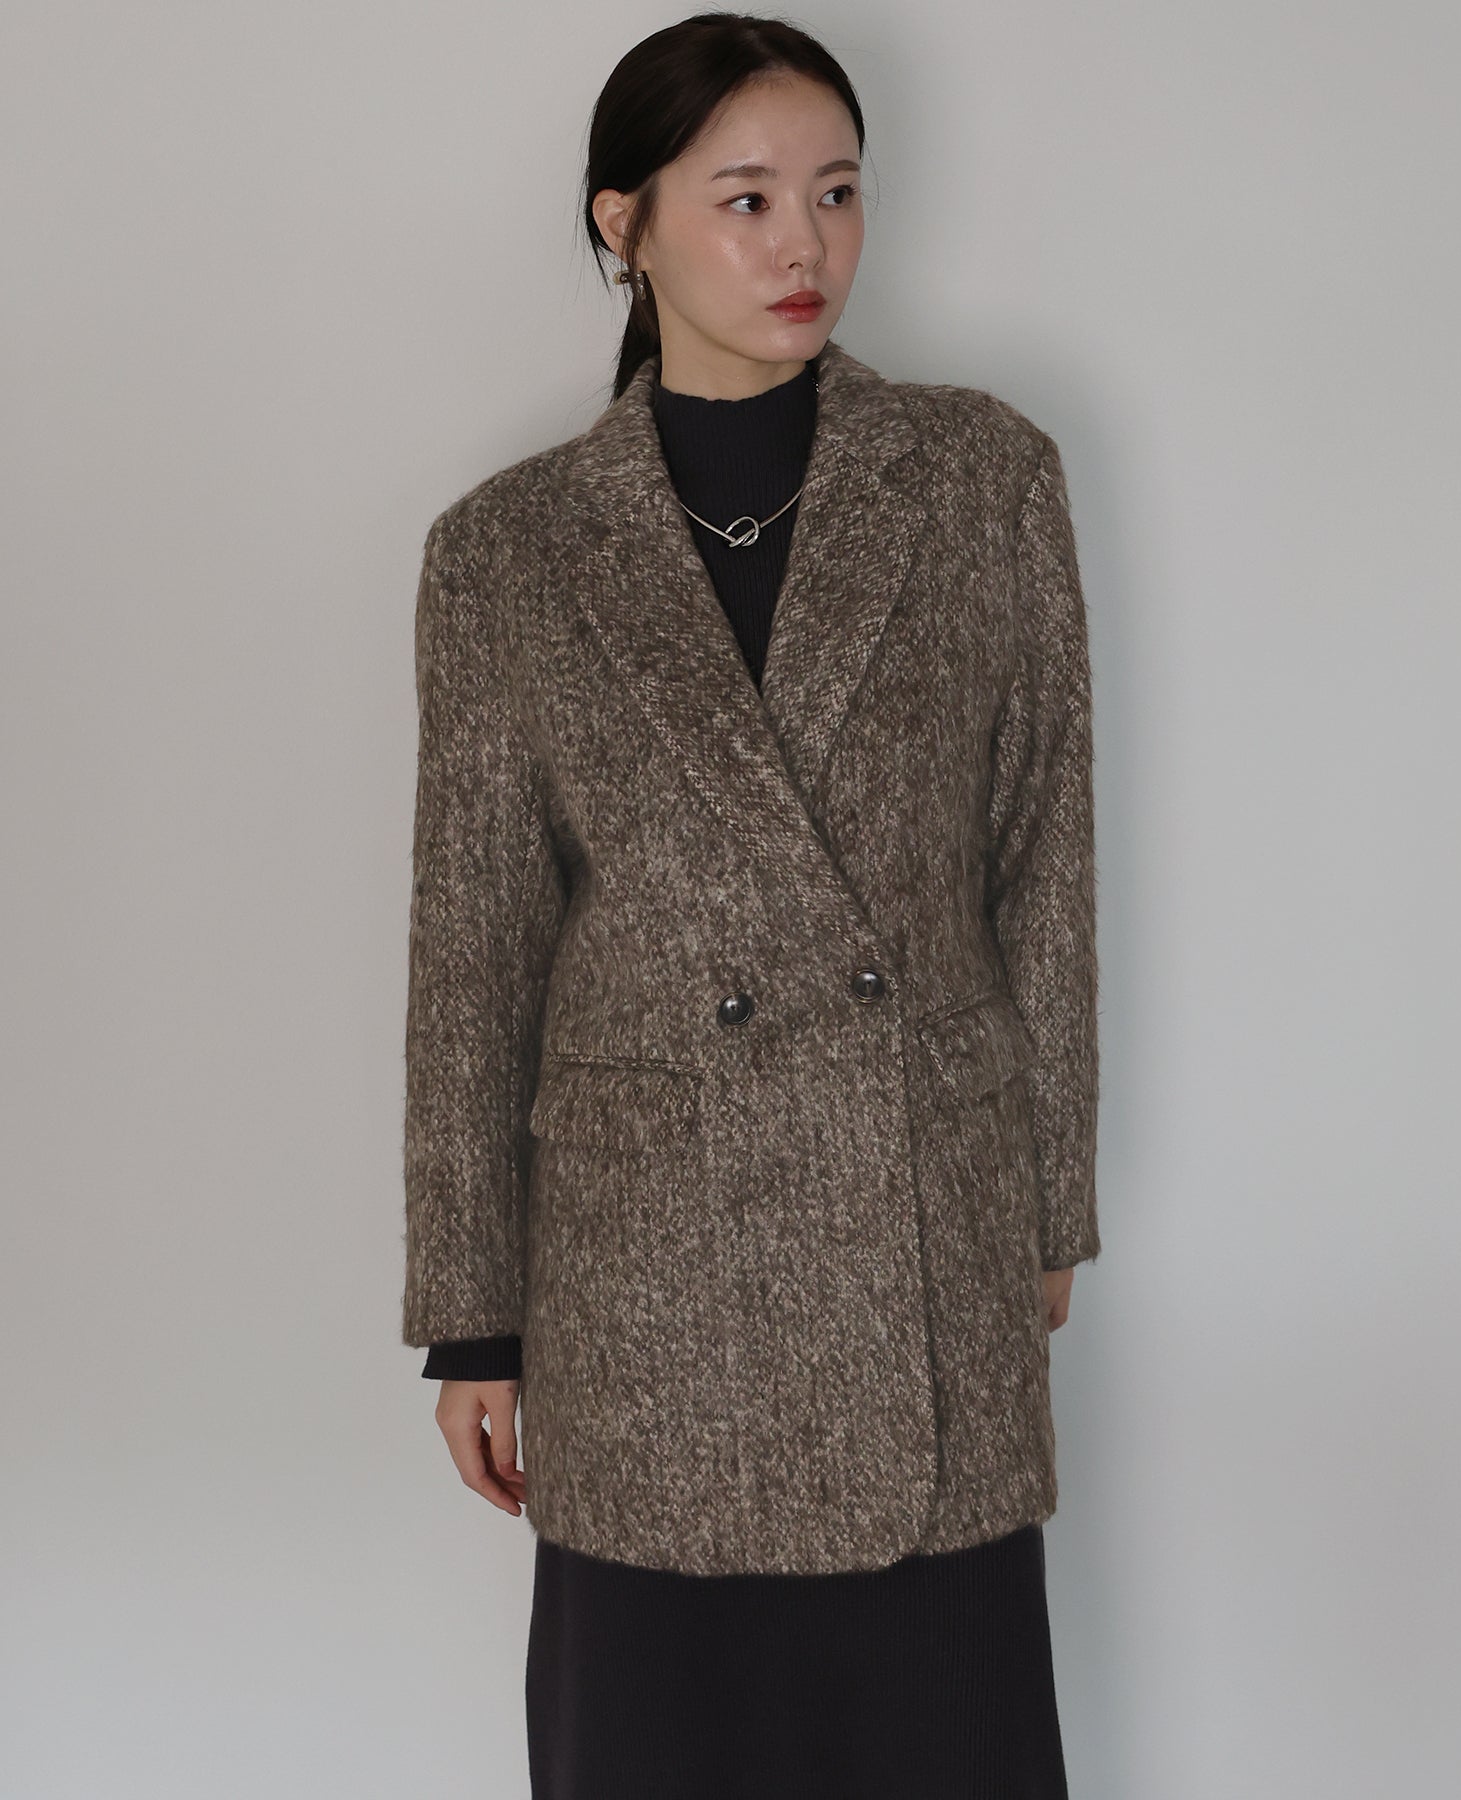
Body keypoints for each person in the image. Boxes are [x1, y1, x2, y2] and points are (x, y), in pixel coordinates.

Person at [401, 14, 1100, 1797]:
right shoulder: (507, 551)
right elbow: (475, 950)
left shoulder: (982, 480)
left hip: (921, 1223)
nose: (807, 245)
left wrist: (1043, 1206)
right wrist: (474, 1315)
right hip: (647, 1274)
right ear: (623, 223)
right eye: (749, 198)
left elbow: (1042, 860)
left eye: (839, 194)